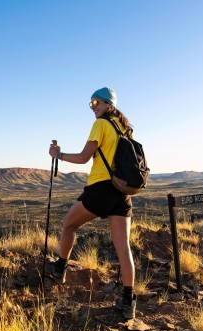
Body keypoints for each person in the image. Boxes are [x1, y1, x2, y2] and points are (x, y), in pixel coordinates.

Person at [47, 87, 137, 319]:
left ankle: (60, 270)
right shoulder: (124, 129)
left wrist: (59, 155)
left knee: (69, 225)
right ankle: (129, 302)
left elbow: (83, 157)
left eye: (97, 102)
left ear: (109, 105)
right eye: (91, 103)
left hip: (101, 188)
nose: (93, 106)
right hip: (121, 190)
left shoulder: (101, 125)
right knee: (123, 247)